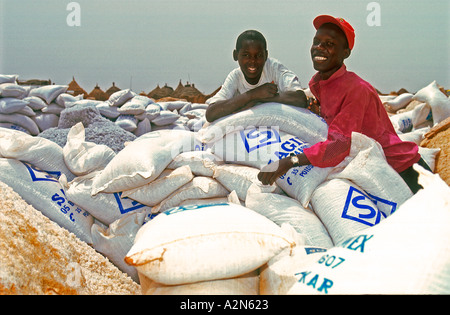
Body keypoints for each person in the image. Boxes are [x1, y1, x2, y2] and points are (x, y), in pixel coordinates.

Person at [258, 15, 430, 194]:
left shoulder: (355, 90)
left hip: (402, 170)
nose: (319, 48)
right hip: (372, 166)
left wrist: (289, 162)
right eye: (317, 41)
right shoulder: (319, 84)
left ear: (346, 52)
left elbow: (338, 146)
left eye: (329, 44)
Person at [205, 30, 307, 123]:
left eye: (258, 56)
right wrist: (253, 95)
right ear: (236, 55)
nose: (252, 61)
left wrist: (258, 100)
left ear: (266, 55)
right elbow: (211, 113)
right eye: (246, 55)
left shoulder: (274, 68)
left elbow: (300, 99)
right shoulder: (235, 77)